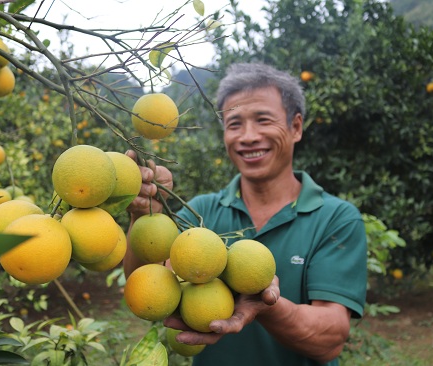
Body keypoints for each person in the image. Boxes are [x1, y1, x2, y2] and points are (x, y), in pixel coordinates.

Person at [123, 62, 367, 366]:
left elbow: (330, 339)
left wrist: (266, 306)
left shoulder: (335, 218)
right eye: (234, 124)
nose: (248, 136)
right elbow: (146, 286)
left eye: (263, 120)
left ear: (296, 127)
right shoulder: (200, 214)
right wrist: (145, 214)